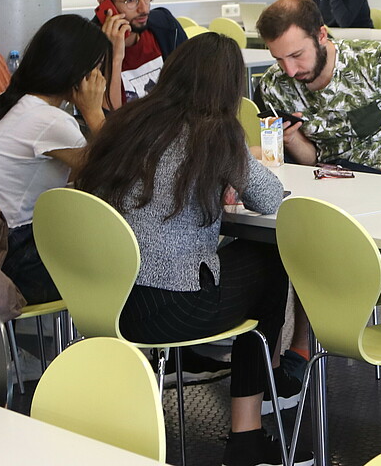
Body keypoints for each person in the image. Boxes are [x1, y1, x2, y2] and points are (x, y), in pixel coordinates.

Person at [76, 34, 312, 466]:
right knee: (270, 262)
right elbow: (271, 198)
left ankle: (252, 413)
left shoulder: (130, 121)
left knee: (247, 265)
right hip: (174, 307)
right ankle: (247, 434)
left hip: (107, 299)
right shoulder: (216, 133)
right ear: (229, 87)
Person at [0, 15, 109, 304]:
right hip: (13, 256)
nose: (100, 79)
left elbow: (79, 167)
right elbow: (120, 168)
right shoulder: (48, 119)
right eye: (97, 69)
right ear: (79, 72)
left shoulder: (10, 103)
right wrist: (94, 113)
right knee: (119, 267)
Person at [257, 0, 381, 177]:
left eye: (297, 55)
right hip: (327, 183)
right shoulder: (274, 85)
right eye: (279, 59)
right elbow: (312, 159)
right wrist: (291, 140)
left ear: (321, 35)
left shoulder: (375, 60)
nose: (289, 70)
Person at [95, 0, 187, 108]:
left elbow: (194, 86)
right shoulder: (90, 51)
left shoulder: (166, 26)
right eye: (131, 0)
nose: (144, 8)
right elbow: (107, 120)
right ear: (105, 4)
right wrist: (114, 57)